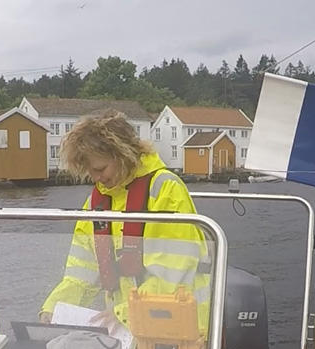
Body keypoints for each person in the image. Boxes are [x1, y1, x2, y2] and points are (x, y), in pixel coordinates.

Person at [40, 110, 210, 334]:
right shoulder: (96, 203)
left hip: (181, 329)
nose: (96, 178)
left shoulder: (166, 190)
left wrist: (126, 313)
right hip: (127, 328)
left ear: (123, 155)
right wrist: (53, 308)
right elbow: (81, 273)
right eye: (91, 171)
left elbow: (171, 275)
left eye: (101, 169)